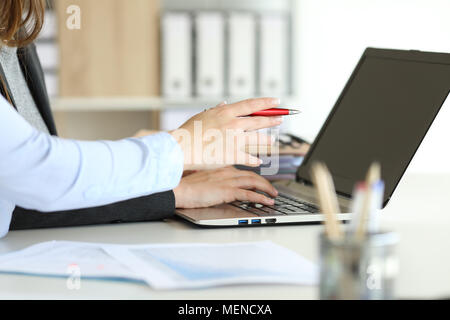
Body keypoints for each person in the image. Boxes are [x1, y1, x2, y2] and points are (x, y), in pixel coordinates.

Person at [0, 0, 281, 237]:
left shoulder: (14, 23)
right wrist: (177, 149)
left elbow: (24, 182)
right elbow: (41, 174)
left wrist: (160, 182)